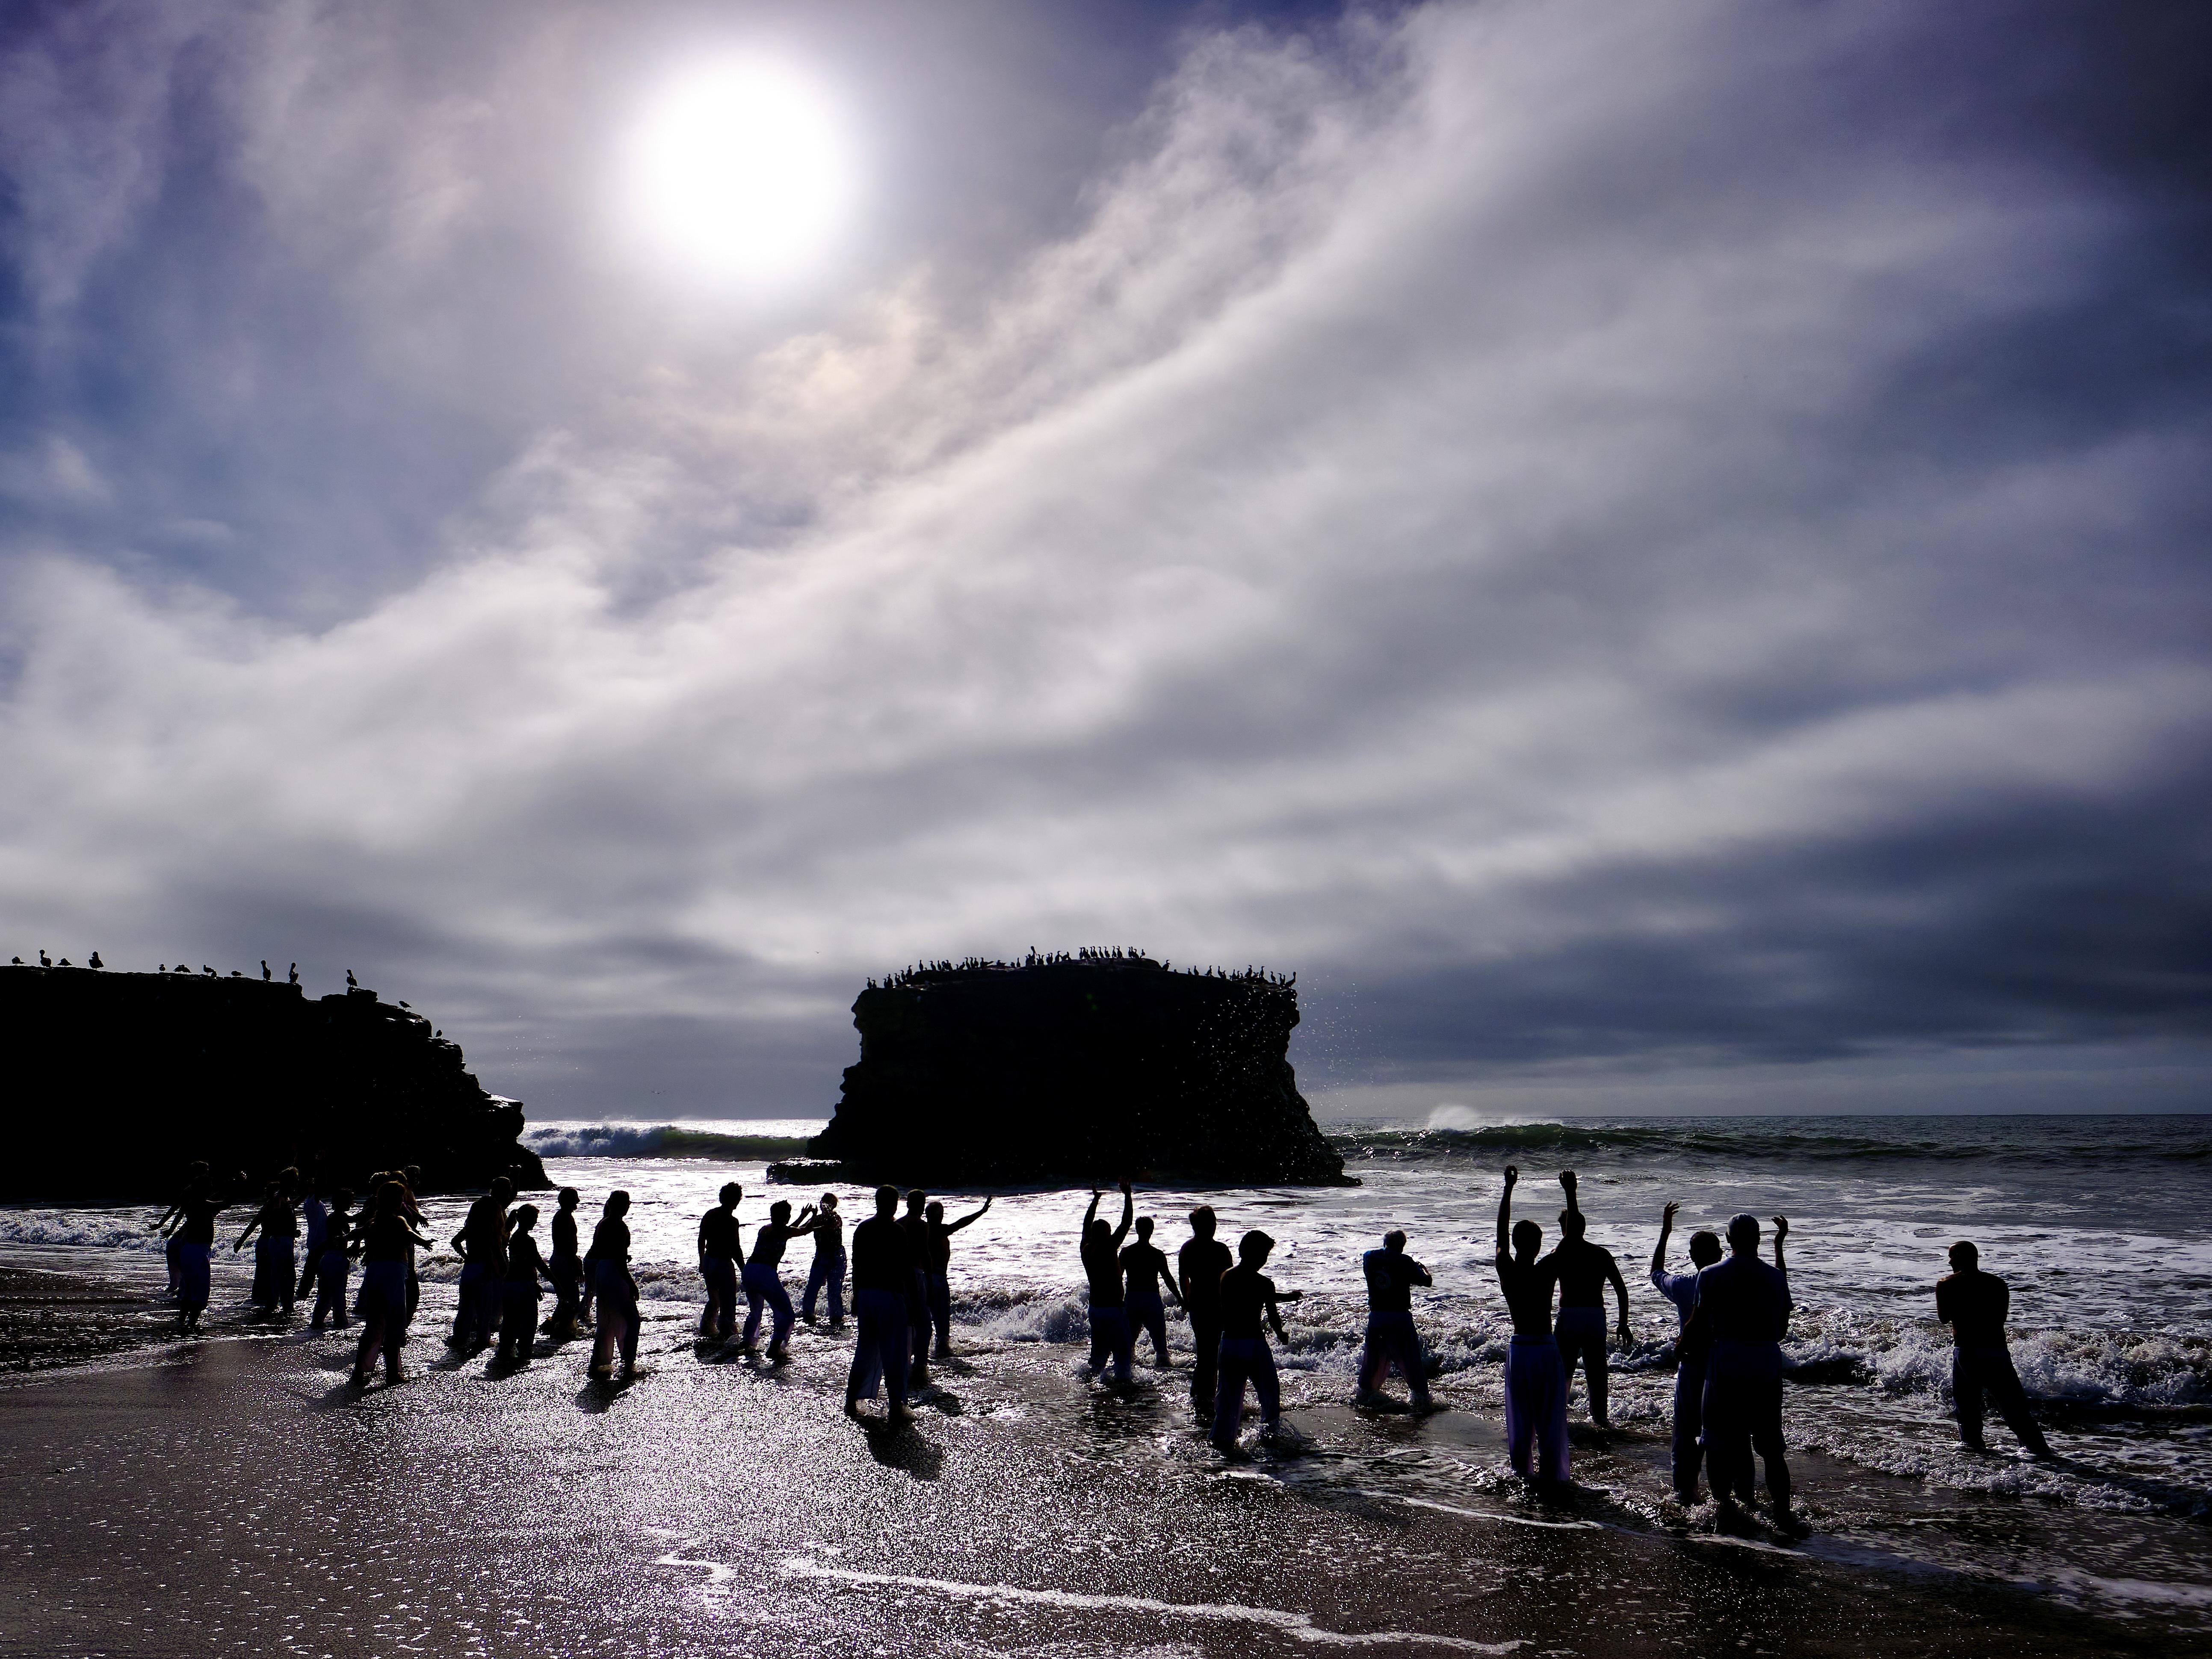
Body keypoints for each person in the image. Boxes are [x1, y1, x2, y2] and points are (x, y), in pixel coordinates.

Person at [1697, 1212, 1795, 1522]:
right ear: (1758, 1239)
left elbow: (1700, 1324)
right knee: (1772, 1447)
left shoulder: (1710, 1274)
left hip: (1726, 1360)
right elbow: (1781, 1329)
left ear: (1728, 1239)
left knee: (1718, 1440)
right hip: (1765, 1360)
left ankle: (1724, 1510)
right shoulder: (1775, 1277)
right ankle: (1783, 1514)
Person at [1937, 1241, 2052, 1457]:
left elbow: (1944, 1318)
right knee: (2013, 1405)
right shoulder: (1998, 1283)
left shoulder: (1947, 1284)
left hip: (1967, 1350)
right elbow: (2001, 1319)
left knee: (1967, 1405)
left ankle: (1973, 1449)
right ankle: (2039, 1451)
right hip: (1997, 1349)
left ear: (1960, 1257)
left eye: (1952, 1256)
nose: (1950, 1261)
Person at [1495, 1166, 1567, 1484]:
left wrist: (1508, 1188)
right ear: (1539, 1245)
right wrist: (1570, 1194)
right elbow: (1571, 1240)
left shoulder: (1506, 1267)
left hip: (1520, 1349)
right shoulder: (1547, 1268)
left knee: (1520, 1418)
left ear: (1515, 1244)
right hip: (1545, 1347)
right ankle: (1553, 1477)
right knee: (1550, 1417)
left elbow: (1500, 1233)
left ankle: (1521, 1475)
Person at [1649, 1201, 1724, 1503]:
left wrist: (1665, 1232)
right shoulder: (1734, 1285)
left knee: (1685, 1436)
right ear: (1720, 1254)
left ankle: (1687, 1494)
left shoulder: (1683, 1285)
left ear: (1692, 1257)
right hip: (1725, 1366)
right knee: (1721, 1435)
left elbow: (1656, 1272)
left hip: (1693, 1367)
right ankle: (1725, 1498)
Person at [1546, 1171, 1629, 1426]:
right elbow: (1621, 1290)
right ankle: (1601, 1421)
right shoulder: (1601, 1254)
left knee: (1563, 1373)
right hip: (1595, 1317)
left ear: (1569, 1228)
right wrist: (1623, 1323)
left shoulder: (1562, 1251)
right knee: (1597, 1374)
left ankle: (1557, 1421)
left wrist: (1571, 1192)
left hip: (1571, 1316)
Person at [1211, 1229, 1301, 1451]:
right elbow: (1272, 1313)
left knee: (1228, 1397)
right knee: (1269, 1393)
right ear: (1259, 1256)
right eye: (1264, 1255)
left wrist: (1287, 1297)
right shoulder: (1264, 1283)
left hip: (1230, 1342)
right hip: (1254, 1345)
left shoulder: (1226, 1277)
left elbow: (1250, 1294)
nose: (1265, 1259)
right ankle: (1269, 1437)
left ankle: (1222, 1440)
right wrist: (1280, 1334)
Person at [845, 1185, 916, 1424]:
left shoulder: (863, 1228)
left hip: (867, 1294)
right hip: (889, 1295)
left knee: (865, 1350)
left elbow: (857, 1265)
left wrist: (856, 1296)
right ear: (894, 1204)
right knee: (895, 1353)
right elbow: (905, 1269)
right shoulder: (896, 1230)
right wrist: (914, 1302)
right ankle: (897, 1405)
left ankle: (852, 1399)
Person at [352, 1180, 431, 1386]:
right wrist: (423, 1241)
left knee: (374, 1323)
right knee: (395, 1323)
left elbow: (358, 1232)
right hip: (393, 1274)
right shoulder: (398, 1220)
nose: (403, 1201)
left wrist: (345, 1239)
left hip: (374, 1273)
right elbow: (409, 1233)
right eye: (401, 1198)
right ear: (396, 1201)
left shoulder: (375, 1222)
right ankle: (392, 1373)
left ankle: (360, 1370)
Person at [1356, 1229, 1434, 1411]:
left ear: (1385, 1243)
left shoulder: (1369, 1257)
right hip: (1399, 1317)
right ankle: (1421, 1399)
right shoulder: (1405, 1261)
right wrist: (1423, 1268)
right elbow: (1427, 1282)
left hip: (1377, 1316)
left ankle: (1365, 1394)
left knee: (1373, 1359)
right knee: (1410, 1360)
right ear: (1402, 1246)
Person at [741, 1198, 819, 1360]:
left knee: (755, 1312)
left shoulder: (766, 1229)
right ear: (784, 1216)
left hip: (750, 1271)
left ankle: (748, 1343)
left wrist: (802, 1216)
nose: (790, 1217)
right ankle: (775, 1347)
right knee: (786, 1313)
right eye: (789, 1214)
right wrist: (814, 1216)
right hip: (765, 1273)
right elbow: (805, 1230)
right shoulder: (783, 1231)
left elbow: (789, 1231)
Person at [448, 1177, 514, 1353]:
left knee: (466, 1307)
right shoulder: (491, 1228)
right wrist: (504, 1269)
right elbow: (496, 1249)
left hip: (470, 1267)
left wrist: (466, 1257)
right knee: (485, 1308)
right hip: (486, 1268)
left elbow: (455, 1241)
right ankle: (483, 1340)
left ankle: (459, 1338)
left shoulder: (471, 1227)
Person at [923, 1196, 993, 1360]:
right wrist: (981, 1212)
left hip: (924, 1279)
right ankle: (942, 1354)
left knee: (926, 1320)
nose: (942, 1217)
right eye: (941, 1214)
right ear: (935, 1216)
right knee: (942, 1323)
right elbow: (961, 1223)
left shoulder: (922, 1231)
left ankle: (926, 1354)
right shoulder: (938, 1230)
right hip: (938, 1279)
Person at [1081, 1182, 1136, 1385]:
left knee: (1098, 1355)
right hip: (1113, 1309)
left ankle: (1089, 1385)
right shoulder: (1109, 1247)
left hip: (1095, 1309)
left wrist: (1095, 1201)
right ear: (1107, 1234)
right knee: (1122, 1354)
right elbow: (1127, 1223)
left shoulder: (1086, 1249)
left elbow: (1086, 1226)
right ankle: (1122, 1387)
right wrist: (1128, 1195)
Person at [1179, 1206, 1233, 1411]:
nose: (1215, 1227)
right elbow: (1230, 1280)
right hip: (1217, 1305)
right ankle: (1207, 1396)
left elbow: (1183, 1278)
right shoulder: (1220, 1250)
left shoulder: (1188, 1248)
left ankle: (1200, 1395)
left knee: (1206, 1352)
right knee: (1212, 1353)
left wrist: (1187, 1299)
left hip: (1198, 1305)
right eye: (1212, 1223)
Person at [586, 1190, 641, 1381]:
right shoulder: (619, 1226)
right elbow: (618, 1259)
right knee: (632, 1320)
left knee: (607, 1319)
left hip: (603, 1270)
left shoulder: (604, 1223)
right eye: (627, 1203)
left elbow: (602, 1251)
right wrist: (631, 1283)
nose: (628, 1207)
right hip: (614, 1273)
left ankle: (600, 1361)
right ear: (622, 1205)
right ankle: (628, 1363)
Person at [1121, 1215, 1183, 1369]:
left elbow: (1116, 1278)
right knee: (1160, 1343)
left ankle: (1127, 1373)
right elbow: (1168, 1279)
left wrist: (1117, 1300)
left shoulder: (1127, 1252)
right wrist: (1180, 1299)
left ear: (1137, 1231)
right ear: (1152, 1231)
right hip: (1151, 1298)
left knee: (1129, 1341)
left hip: (1133, 1298)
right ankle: (1164, 1372)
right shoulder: (1157, 1254)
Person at [233, 1176, 300, 1314]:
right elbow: (254, 1224)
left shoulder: (280, 1205)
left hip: (268, 1243)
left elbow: (254, 1224)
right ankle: (267, 1303)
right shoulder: (272, 1207)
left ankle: (265, 1301)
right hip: (269, 1243)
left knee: (268, 1275)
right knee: (271, 1276)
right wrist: (240, 1242)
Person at [172, 1180, 229, 1333]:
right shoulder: (204, 1205)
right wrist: (237, 1186)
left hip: (189, 1250)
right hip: (198, 1252)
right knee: (201, 1291)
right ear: (204, 1191)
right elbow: (226, 1204)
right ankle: (191, 1325)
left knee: (190, 1290)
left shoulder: (192, 1204)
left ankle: (181, 1322)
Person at [497, 1205, 552, 1365]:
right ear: (527, 1219)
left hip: (512, 1284)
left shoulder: (514, 1238)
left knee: (511, 1321)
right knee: (529, 1322)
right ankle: (523, 1354)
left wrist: (533, 1283)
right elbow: (539, 1264)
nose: (535, 1222)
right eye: (534, 1218)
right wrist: (557, 1284)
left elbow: (521, 1265)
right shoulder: (527, 1240)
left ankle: (505, 1353)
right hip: (522, 1286)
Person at [153, 1161, 212, 1301]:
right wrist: (166, 1227)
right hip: (190, 1236)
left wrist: (166, 1227)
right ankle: (184, 1295)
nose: (208, 1174)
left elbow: (179, 1211)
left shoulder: (197, 1190)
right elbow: (178, 1210)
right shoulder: (195, 1191)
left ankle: (179, 1292)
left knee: (186, 1268)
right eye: (205, 1171)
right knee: (190, 1269)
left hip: (187, 1235)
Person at [696, 1183, 743, 1343]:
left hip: (709, 1261)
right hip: (723, 1263)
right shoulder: (732, 1221)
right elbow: (736, 1248)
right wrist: (744, 1268)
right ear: (736, 1199)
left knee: (714, 1300)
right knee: (728, 1301)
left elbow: (701, 1239)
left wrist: (702, 1261)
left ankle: (706, 1328)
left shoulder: (710, 1214)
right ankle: (728, 1332)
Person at [898, 1190, 933, 1382]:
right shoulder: (922, 1226)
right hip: (916, 1275)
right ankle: (920, 1366)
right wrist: (931, 1284)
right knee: (924, 1324)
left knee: (904, 1322)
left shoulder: (897, 1224)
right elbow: (925, 1255)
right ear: (922, 1206)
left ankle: (904, 1364)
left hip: (897, 1276)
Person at [310, 1190, 355, 1331]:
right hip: (336, 1258)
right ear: (342, 1202)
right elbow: (357, 1219)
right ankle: (340, 1324)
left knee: (325, 1295)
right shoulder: (340, 1216)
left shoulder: (333, 1217)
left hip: (328, 1258)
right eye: (350, 1200)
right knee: (338, 1295)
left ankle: (317, 1323)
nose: (352, 1203)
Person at [801, 1192, 847, 1331]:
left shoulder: (836, 1218)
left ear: (833, 1205)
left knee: (834, 1289)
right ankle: (808, 1314)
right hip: (821, 1255)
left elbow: (829, 1228)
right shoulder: (818, 1218)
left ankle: (836, 1317)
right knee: (813, 1286)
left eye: (827, 1202)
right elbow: (804, 1230)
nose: (824, 1205)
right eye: (823, 1201)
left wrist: (819, 1218)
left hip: (836, 1256)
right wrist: (811, 1215)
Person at [546, 1187, 585, 1340]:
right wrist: (575, 1263)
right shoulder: (565, 1217)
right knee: (573, 1299)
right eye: (575, 1198)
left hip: (560, 1259)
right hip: (564, 1261)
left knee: (566, 1298)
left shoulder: (562, 1216)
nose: (578, 1201)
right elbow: (565, 1245)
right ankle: (563, 1328)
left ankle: (555, 1325)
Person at [296, 1178, 330, 1304]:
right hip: (318, 1242)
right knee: (313, 1272)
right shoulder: (312, 1202)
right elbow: (322, 1186)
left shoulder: (314, 1202)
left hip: (318, 1241)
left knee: (311, 1272)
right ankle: (303, 1295)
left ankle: (302, 1295)